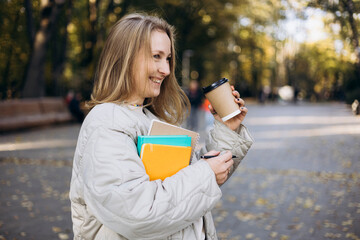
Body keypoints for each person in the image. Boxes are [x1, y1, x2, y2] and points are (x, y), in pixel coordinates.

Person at [69, 13, 253, 240]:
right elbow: (137, 213)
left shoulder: (148, 116)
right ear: (125, 58)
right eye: (156, 56)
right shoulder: (107, 122)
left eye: (167, 59)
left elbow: (183, 191)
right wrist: (206, 174)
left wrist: (228, 129)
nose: (166, 70)